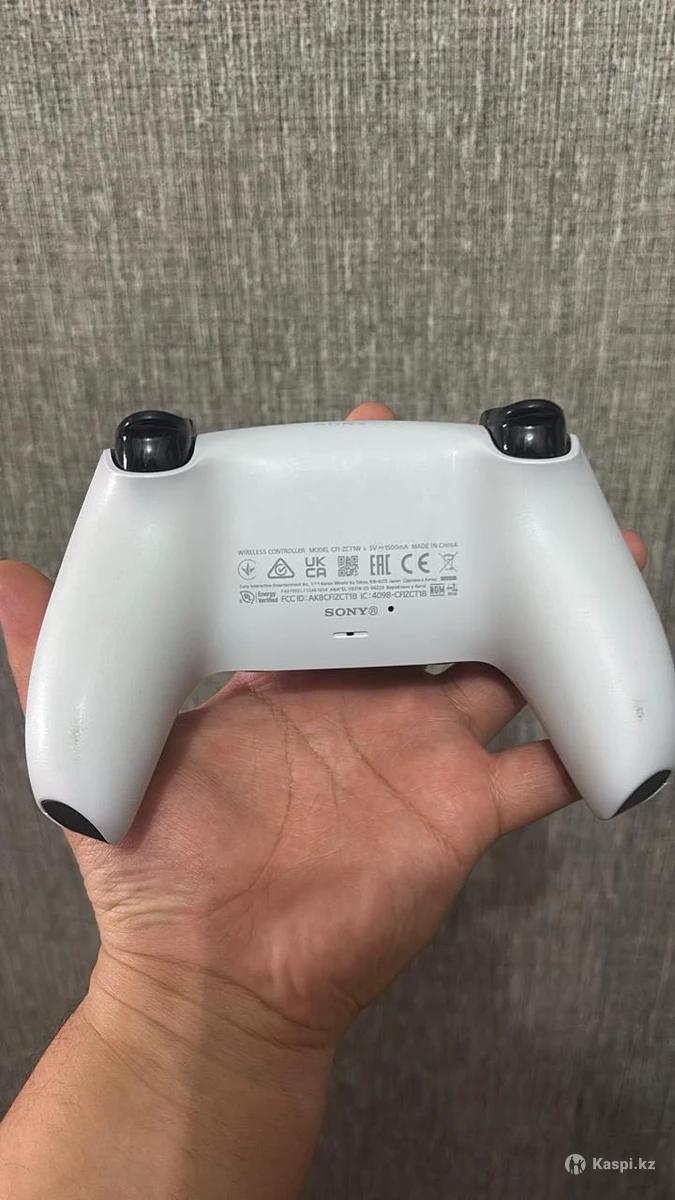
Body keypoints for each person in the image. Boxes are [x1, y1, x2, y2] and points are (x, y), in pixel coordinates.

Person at [0, 404, 647, 1199]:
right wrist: (186, 988)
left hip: (521, 503)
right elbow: (80, 775)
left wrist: (187, 1010)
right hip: (162, 524)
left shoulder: (518, 496)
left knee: (628, 745)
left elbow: (632, 733)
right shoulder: (159, 510)